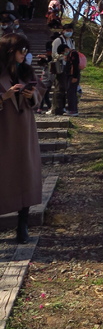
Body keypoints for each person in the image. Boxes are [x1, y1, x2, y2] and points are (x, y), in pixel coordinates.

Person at [0, 34, 46, 243]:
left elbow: (38, 98)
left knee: (26, 174)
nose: (24, 55)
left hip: (25, 130)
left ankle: (23, 224)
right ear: (11, 51)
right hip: (4, 131)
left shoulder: (26, 71)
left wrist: (31, 96)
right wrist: (4, 96)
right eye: (21, 51)